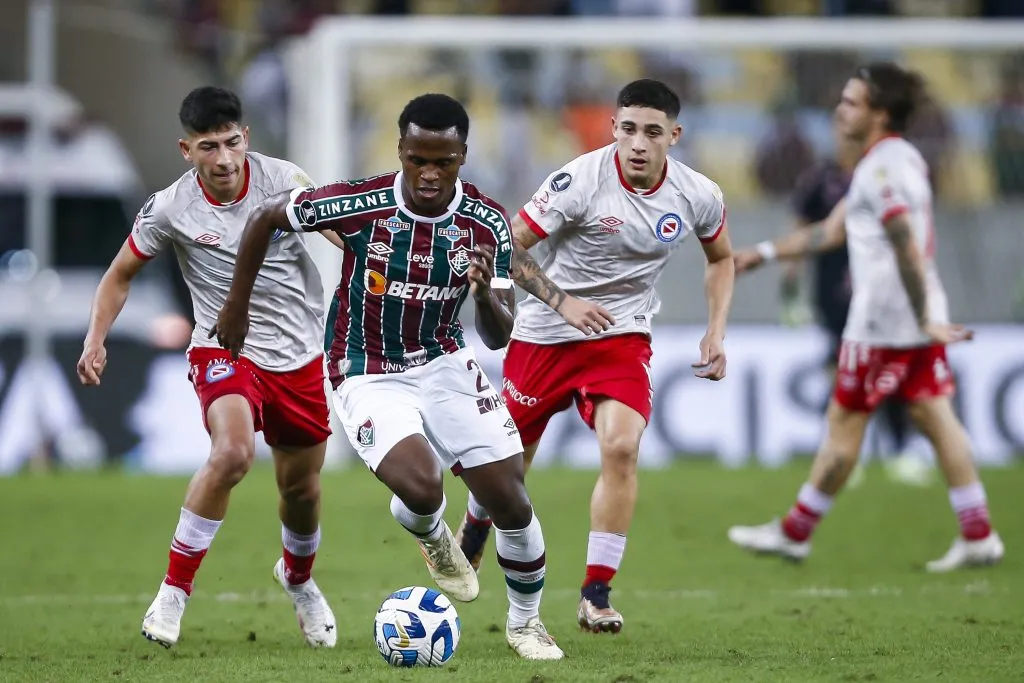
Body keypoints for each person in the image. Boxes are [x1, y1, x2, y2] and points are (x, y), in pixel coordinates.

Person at [213, 94, 564, 661]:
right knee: (424, 488)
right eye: (417, 158)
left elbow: (499, 335)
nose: (428, 173)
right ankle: (431, 535)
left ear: (462, 157)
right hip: (365, 368)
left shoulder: (487, 223)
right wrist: (236, 307)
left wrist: (482, 293)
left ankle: (526, 624)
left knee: (512, 503)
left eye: (442, 161)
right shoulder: (360, 203)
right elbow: (264, 216)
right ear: (400, 150)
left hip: (444, 361)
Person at [455, 78, 736, 634]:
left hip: (620, 336)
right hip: (545, 335)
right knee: (508, 471)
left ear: (673, 136)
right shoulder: (579, 181)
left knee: (622, 446)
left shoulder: (698, 195)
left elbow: (722, 259)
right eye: (627, 129)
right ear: (613, 128)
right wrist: (564, 302)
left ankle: (595, 593)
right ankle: (472, 535)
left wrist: (716, 331)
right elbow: (510, 247)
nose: (637, 143)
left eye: (652, 132)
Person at [77, 87, 341, 649]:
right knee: (232, 453)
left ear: (245, 137)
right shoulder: (172, 206)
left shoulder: (285, 180)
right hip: (224, 348)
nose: (223, 159)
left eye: (230, 143)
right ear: (185, 150)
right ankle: (172, 595)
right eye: (208, 147)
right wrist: (96, 338)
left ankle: (298, 581)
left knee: (302, 491)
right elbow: (119, 274)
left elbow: (341, 233)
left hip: (298, 354)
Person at [726, 63, 1004, 571]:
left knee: (845, 422)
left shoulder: (879, 171)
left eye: (852, 102)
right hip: (912, 319)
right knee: (934, 416)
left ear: (879, 113)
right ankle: (979, 533)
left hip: (885, 324)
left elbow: (905, 245)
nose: (840, 109)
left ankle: (795, 533)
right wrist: (762, 253)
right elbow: (830, 232)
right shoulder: (897, 160)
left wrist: (922, 318)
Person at [785, 128, 926, 488]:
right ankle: (847, 454)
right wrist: (791, 280)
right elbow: (801, 228)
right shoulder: (819, 180)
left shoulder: (881, 179)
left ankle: (901, 450)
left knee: (889, 369)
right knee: (842, 371)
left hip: (881, 291)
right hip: (834, 294)